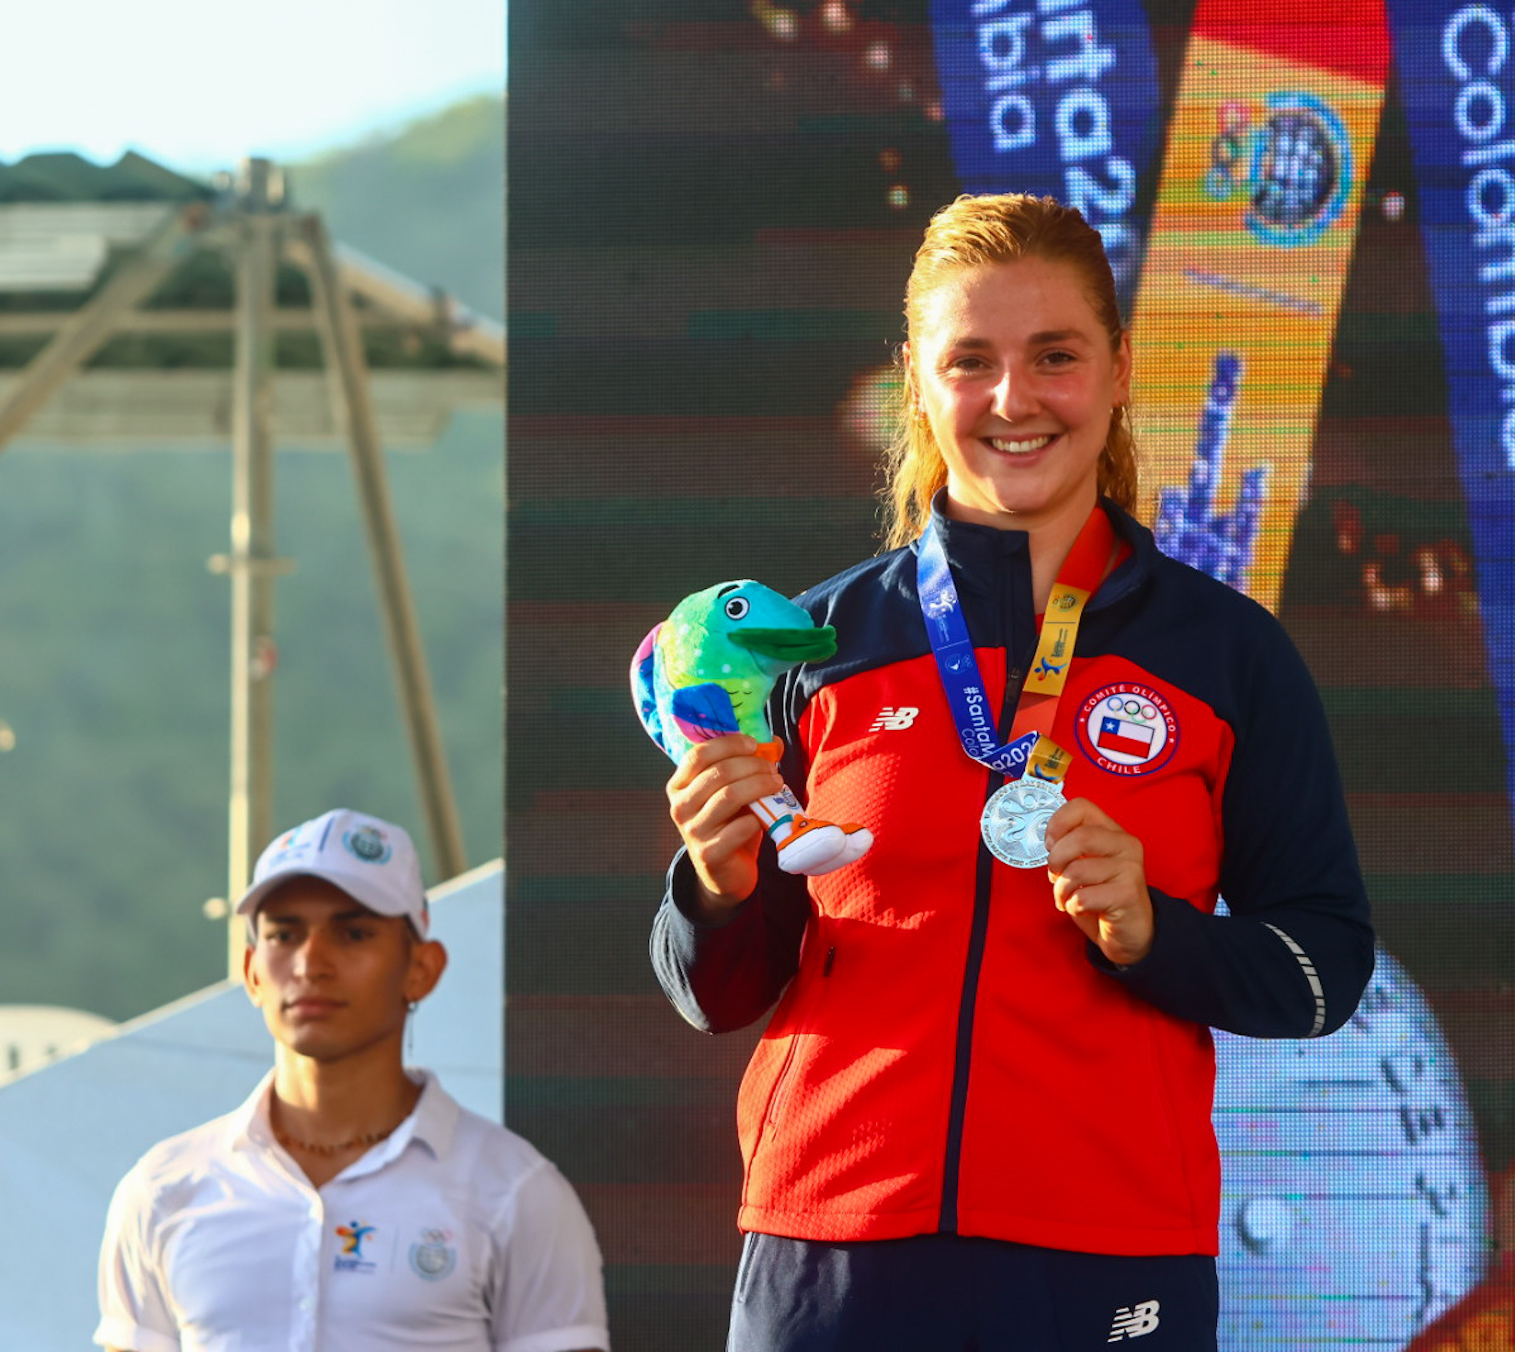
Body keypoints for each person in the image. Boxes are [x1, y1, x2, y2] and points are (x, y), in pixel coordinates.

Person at [653, 193, 1375, 1351]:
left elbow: (1322, 968)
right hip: (831, 1248)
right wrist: (716, 881)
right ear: (917, 382)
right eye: (970, 360)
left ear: (1118, 367)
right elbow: (715, 992)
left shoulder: (1228, 655)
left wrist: (1155, 931)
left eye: (1054, 356)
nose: (1012, 398)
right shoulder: (812, 644)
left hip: (1108, 1250)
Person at [95, 808, 610, 1352]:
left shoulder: (516, 1191)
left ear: (423, 968)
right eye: (284, 934)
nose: (310, 962)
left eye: (354, 932)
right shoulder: (163, 1189)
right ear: (250, 972)